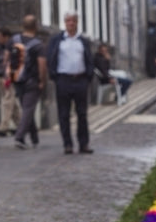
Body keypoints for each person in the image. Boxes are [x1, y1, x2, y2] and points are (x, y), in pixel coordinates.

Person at [46, 10, 96, 154]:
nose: (71, 23)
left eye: (73, 21)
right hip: (63, 80)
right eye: (68, 21)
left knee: (82, 114)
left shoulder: (83, 41)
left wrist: (88, 76)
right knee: (64, 114)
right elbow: (50, 58)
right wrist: (55, 76)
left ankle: (84, 144)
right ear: (65, 23)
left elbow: (89, 59)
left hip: (80, 80)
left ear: (77, 23)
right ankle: (67, 144)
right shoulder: (57, 40)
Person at [12, 15, 46, 149]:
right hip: (32, 80)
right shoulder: (38, 45)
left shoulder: (14, 40)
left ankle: (34, 137)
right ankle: (19, 137)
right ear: (36, 27)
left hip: (17, 79)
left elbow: (7, 58)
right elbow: (42, 64)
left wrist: (7, 76)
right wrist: (42, 80)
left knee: (27, 108)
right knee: (28, 108)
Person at [0, 26, 19, 136]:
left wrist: (8, 76)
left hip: (7, 76)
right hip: (1, 76)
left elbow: (10, 63)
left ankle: (3, 126)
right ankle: (22, 124)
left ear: (6, 37)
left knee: (7, 102)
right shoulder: (2, 47)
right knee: (12, 103)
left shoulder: (12, 47)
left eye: (0, 37)